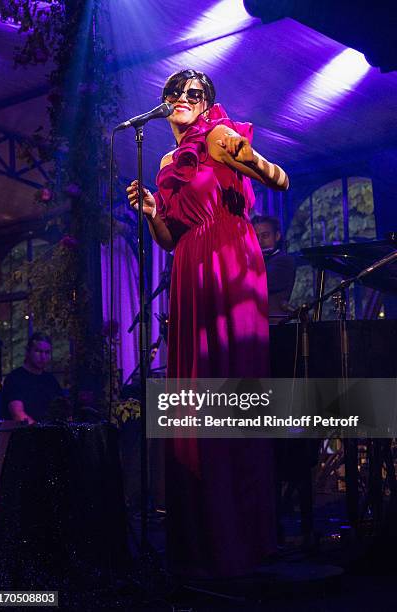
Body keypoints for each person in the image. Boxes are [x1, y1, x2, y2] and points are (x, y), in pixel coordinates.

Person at [127, 69, 289, 578]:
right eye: (174, 93)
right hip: (190, 265)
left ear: (207, 103)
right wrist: (154, 212)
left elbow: (279, 178)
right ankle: (202, 537)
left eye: (194, 94)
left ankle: (243, 535)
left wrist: (242, 154)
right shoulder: (166, 160)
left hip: (230, 262)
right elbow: (171, 237)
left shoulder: (220, 135)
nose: (182, 99)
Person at [1, 332, 63, 424]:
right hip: (23, 434)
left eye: (47, 353)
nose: (43, 357)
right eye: (38, 351)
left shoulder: (51, 380)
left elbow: (61, 410)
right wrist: (41, 431)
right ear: (28, 352)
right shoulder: (15, 378)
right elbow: (18, 414)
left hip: (49, 433)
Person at [252, 215, 296, 322]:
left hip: (273, 326)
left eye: (265, 236)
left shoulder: (284, 261)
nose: (259, 241)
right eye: (255, 237)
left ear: (277, 236)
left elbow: (261, 282)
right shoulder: (255, 260)